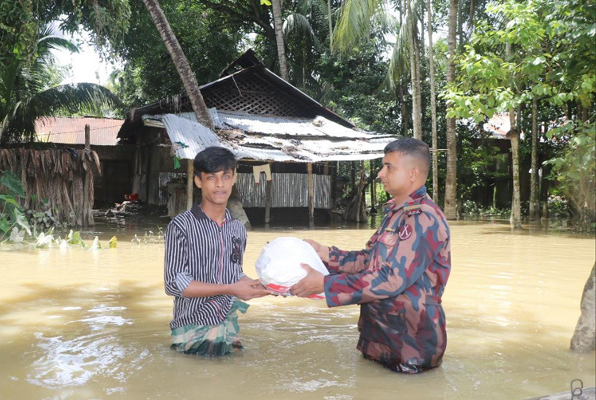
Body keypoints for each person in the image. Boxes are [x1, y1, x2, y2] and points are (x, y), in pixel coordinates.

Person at [290, 137, 451, 373]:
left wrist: (325, 284)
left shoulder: (422, 217)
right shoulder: (396, 213)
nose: (380, 174)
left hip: (410, 348)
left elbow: (391, 278)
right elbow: (369, 261)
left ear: (413, 174)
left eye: (389, 167)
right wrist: (324, 253)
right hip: (380, 340)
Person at [163, 146, 270, 356]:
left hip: (229, 326)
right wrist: (231, 288)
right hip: (193, 331)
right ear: (199, 181)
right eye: (211, 177)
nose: (220, 184)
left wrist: (264, 285)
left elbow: (235, 273)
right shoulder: (181, 226)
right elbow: (174, 284)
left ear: (233, 179)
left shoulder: (237, 228)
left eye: (226, 176)